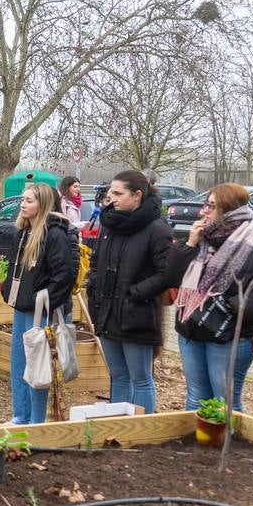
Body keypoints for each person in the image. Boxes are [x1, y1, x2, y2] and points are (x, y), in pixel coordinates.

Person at [165, 183, 253, 413]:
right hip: (191, 332)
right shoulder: (200, 240)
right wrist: (189, 244)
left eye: (211, 206)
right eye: (205, 205)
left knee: (225, 403)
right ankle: (198, 446)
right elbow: (170, 276)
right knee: (196, 398)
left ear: (230, 211)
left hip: (229, 338)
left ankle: (226, 447)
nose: (204, 212)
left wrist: (228, 305)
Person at [86, 170, 172, 413]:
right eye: (110, 192)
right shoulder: (109, 224)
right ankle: (118, 428)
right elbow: (96, 260)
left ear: (137, 195)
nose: (111, 198)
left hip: (137, 315)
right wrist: (93, 285)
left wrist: (135, 293)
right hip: (107, 311)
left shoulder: (157, 229)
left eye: (118, 193)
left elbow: (167, 273)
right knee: (118, 376)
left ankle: (141, 432)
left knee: (140, 378)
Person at [0, 183, 77, 425]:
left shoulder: (54, 234)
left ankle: (36, 422)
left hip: (40, 313)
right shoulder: (23, 232)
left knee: (38, 368)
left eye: (30, 200)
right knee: (20, 365)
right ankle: (20, 416)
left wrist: (41, 302)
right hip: (21, 309)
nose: (23, 204)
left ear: (43, 205)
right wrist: (7, 289)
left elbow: (63, 275)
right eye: (23, 199)